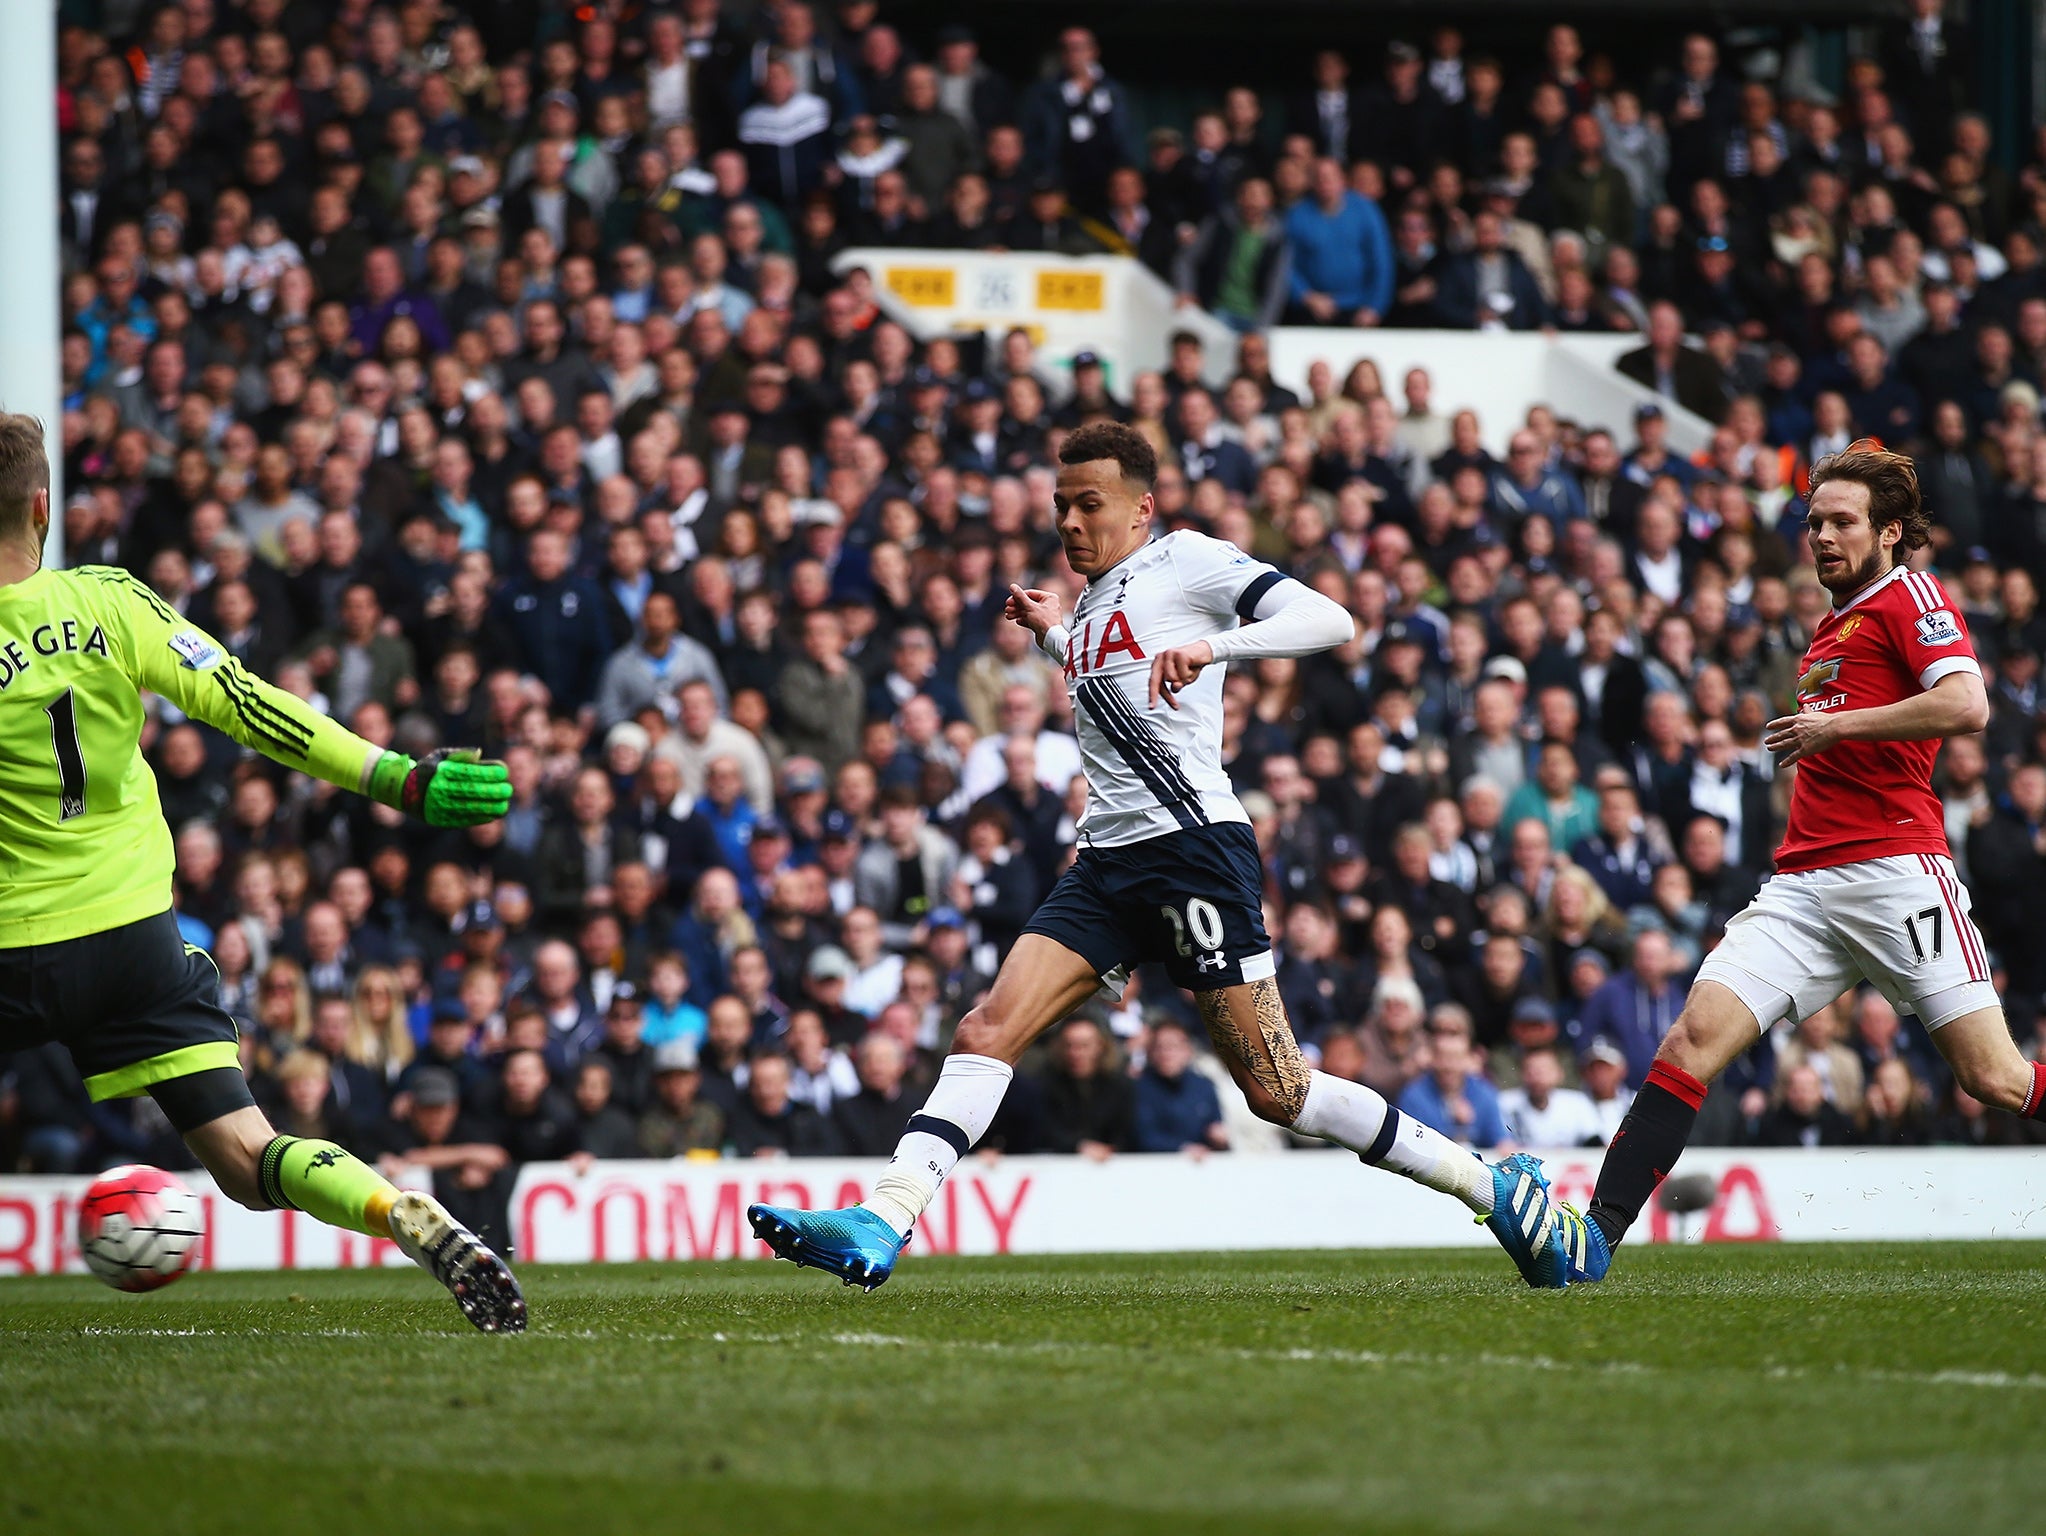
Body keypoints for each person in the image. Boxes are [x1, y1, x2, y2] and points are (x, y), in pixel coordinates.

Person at [750, 420, 1576, 1290]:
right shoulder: (1096, 604)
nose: (1069, 522)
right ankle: (883, 1219)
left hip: (1191, 855)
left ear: (1142, 508)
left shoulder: (1186, 560)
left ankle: (1493, 1189)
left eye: (1089, 505)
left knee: (1278, 1091)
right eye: (1061, 505)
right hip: (1105, 867)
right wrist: (1052, 636)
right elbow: (1119, 686)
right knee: (986, 1028)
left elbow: (1328, 618)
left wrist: (1213, 645)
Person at [0, 415, 524, 1331]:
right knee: (247, 1158)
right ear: (43, 506)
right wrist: (395, 776)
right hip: (132, 943)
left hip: (10, 949)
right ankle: (393, 1208)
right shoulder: (112, 603)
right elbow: (250, 705)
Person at [1561, 445, 2046, 1285]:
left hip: (1897, 871)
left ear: (1890, 531)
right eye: (1814, 521)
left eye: (1842, 522)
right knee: (1690, 1040)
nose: (1821, 535)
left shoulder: (1911, 596)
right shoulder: (1833, 622)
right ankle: (1591, 1239)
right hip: (1802, 885)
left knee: (1995, 1079)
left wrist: (1834, 727)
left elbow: (1967, 703)